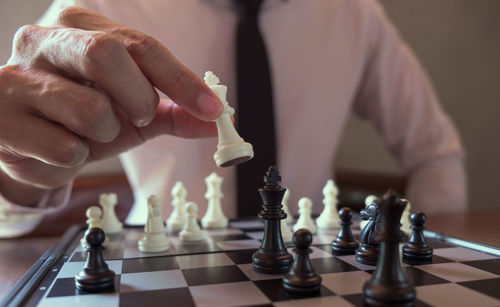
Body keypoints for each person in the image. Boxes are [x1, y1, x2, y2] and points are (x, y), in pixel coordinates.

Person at [0, 0, 466, 238]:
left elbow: (435, 154)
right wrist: (18, 173)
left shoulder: (352, 11)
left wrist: (422, 254)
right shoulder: (95, 10)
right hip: (155, 259)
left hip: (312, 261)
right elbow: (8, 220)